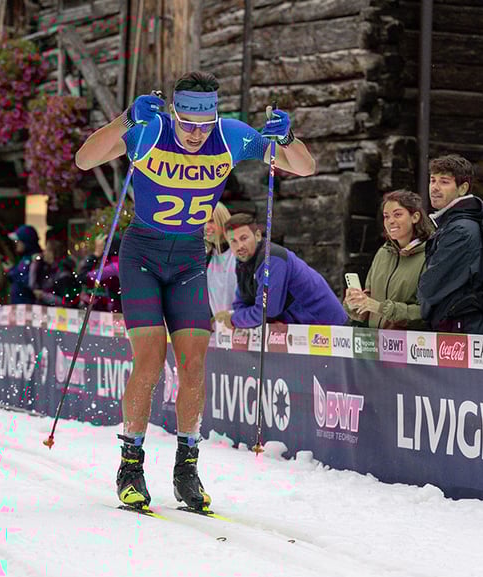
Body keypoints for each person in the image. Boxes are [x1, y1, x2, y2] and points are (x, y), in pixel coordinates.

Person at [73, 70, 316, 511]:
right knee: (148, 363)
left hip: (187, 257)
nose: (194, 134)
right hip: (142, 253)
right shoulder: (151, 128)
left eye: (202, 126)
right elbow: (85, 160)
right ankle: (131, 464)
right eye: (186, 124)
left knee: (193, 366)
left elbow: (303, 166)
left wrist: (291, 137)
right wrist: (125, 119)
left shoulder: (230, 135)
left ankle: (187, 467)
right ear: (173, 113)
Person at [417, 154, 483, 333]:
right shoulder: (455, 224)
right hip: (460, 325)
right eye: (433, 180)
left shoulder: (461, 230)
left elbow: (431, 286)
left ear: (462, 188)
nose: (435, 188)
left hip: (461, 328)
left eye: (444, 182)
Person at [218, 213, 347, 329]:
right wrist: (238, 318)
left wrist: (234, 320)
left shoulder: (272, 259)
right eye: (233, 241)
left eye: (244, 238)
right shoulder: (243, 263)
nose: (239, 246)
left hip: (327, 327)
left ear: (257, 236)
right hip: (298, 330)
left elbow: (266, 312)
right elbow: (241, 303)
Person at [345, 190, 431, 329]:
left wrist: (380, 308)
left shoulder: (430, 255)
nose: (390, 221)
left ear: (415, 217)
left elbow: (425, 312)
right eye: (386, 216)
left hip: (412, 345)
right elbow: (367, 307)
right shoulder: (383, 253)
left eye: (397, 214)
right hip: (375, 343)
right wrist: (355, 303)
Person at [205, 202, 237, 319]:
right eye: (202, 222)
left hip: (243, 324)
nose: (206, 227)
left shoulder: (240, 255)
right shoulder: (205, 259)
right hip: (218, 330)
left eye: (211, 221)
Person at [29, 239, 80, 307]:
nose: (44, 253)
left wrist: (43, 296)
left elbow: (67, 302)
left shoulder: (64, 274)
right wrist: (35, 264)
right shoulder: (47, 268)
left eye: (46, 250)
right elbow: (32, 285)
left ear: (52, 253)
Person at [77, 235, 122, 312]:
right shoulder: (119, 263)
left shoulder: (114, 267)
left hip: (116, 314)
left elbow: (83, 278)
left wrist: (96, 254)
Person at [6, 225, 41, 304]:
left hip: (27, 305)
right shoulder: (25, 257)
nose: (16, 243)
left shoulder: (36, 259)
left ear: (26, 242)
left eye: (18, 241)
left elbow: (29, 282)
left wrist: (11, 271)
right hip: (19, 304)